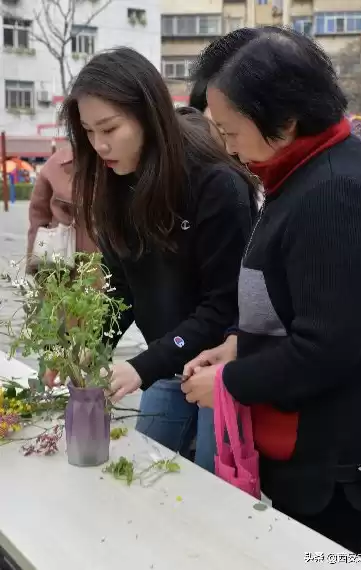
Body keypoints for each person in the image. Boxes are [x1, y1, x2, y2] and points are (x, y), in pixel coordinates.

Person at [181, 27, 361, 553]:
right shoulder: (298, 173)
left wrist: (232, 380)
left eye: (231, 131)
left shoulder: (333, 194)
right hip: (306, 440)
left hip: (331, 459)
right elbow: (301, 305)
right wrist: (240, 343)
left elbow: (327, 348)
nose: (227, 148)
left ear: (287, 120)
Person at [58, 46, 257, 472]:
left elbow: (226, 304)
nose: (100, 145)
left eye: (109, 128)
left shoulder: (215, 185)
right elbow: (120, 284)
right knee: (146, 470)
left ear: (149, 115)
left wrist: (142, 366)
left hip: (219, 367)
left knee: (211, 487)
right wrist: (85, 349)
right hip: (165, 361)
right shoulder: (115, 182)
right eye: (89, 132)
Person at [26, 145, 97, 274]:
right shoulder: (56, 165)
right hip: (64, 268)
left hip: (119, 274)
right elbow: (38, 218)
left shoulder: (130, 161)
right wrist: (34, 264)